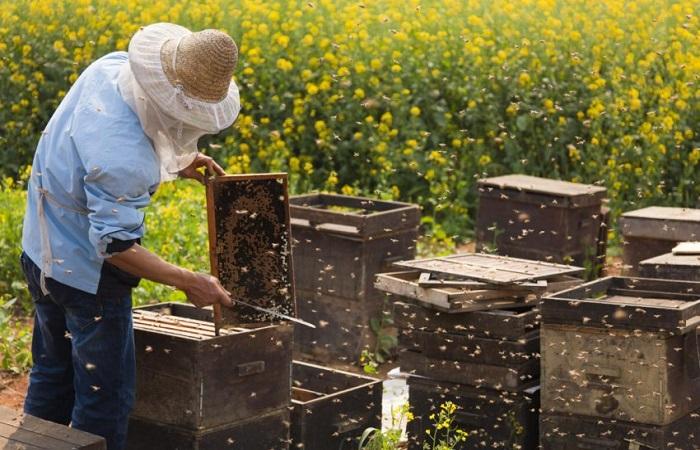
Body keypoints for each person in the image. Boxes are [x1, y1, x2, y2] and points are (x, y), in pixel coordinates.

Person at [20, 23, 239, 450]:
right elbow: (115, 246)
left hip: (39, 252)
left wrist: (178, 160)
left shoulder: (110, 69)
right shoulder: (124, 160)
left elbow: (98, 144)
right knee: (104, 400)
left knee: (52, 375)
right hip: (86, 279)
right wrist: (189, 280)